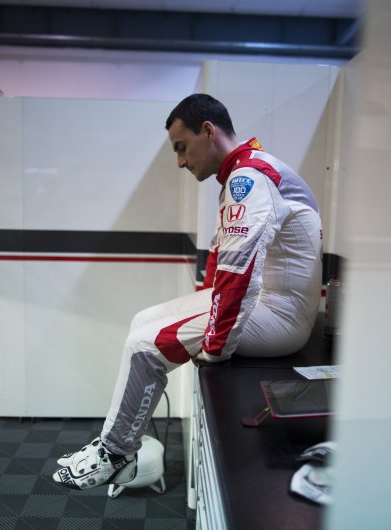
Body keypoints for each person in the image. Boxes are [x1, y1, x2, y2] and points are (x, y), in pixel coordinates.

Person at [53, 93, 323, 490]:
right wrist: (207, 311)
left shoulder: (250, 178)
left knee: (145, 346)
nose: (180, 161)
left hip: (281, 317)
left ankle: (116, 453)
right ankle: (120, 444)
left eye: (182, 147)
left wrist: (215, 346)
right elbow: (223, 258)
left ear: (208, 132)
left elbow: (239, 272)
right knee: (142, 321)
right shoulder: (244, 171)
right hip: (270, 304)